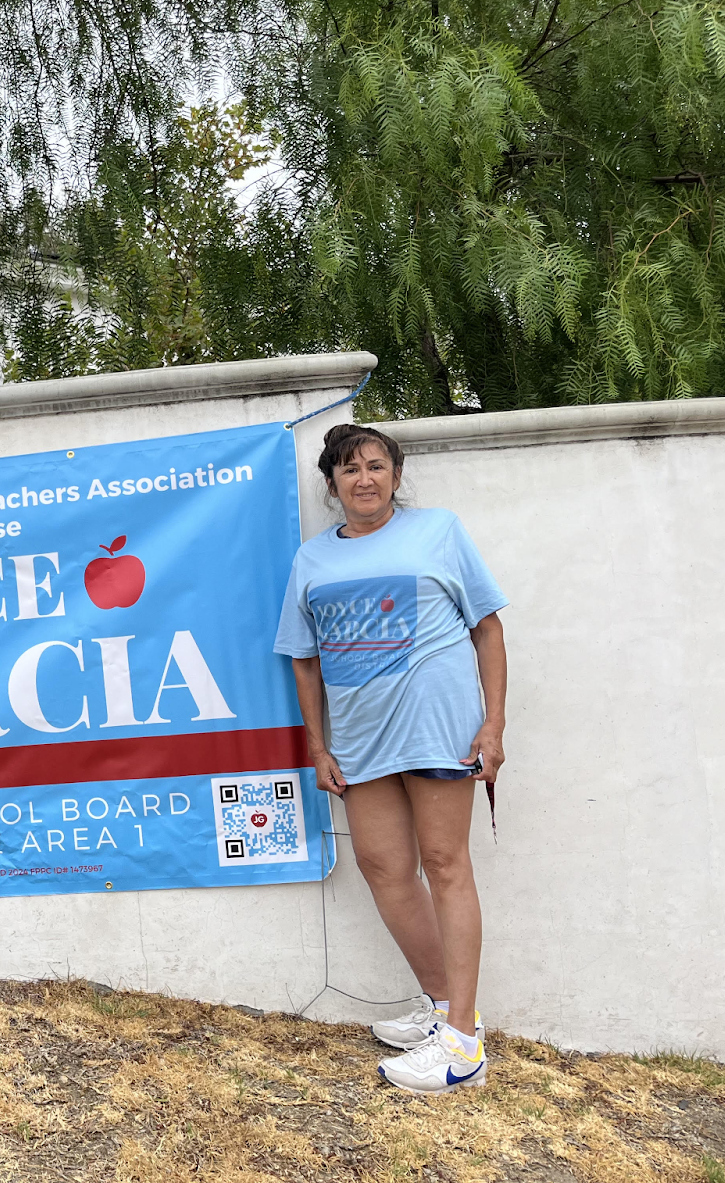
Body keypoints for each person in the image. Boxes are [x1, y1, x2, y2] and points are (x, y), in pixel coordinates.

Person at [274, 422, 507, 1094]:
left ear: (396, 477)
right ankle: (442, 1006)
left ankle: (463, 1046)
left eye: (377, 465)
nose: (365, 478)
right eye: (350, 470)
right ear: (332, 485)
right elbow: (305, 662)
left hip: (438, 730)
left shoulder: (438, 531)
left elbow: (487, 628)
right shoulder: (311, 561)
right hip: (360, 740)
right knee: (384, 869)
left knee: (445, 864)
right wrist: (318, 746)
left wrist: (493, 725)